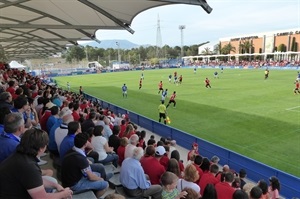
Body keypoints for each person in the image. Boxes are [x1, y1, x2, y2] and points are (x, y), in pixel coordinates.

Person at [0, 128, 73, 199]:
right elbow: (41, 197)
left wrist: (55, 185)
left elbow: (34, 180)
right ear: (41, 148)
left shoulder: (20, 154)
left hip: (10, 190)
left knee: (52, 181)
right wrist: (63, 194)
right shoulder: (29, 166)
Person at [61, 133, 109, 198]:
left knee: (97, 174)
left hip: (67, 180)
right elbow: (91, 177)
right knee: (105, 184)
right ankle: (95, 197)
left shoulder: (72, 150)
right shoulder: (81, 159)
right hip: (74, 185)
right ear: (85, 144)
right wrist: (101, 179)